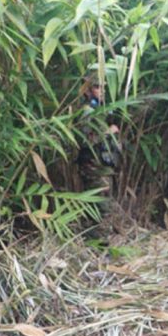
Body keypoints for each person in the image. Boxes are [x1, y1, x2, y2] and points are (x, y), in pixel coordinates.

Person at [76, 72, 120, 240]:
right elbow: (85, 140)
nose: (101, 90)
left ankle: (96, 242)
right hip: (94, 168)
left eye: (103, 87)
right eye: (96, 87)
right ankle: (97, 244)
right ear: (87, 91)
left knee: (102, 205)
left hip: (102, 167)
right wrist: (108, 132)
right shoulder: (88, 111)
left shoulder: (99, 110)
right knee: (99, 206)